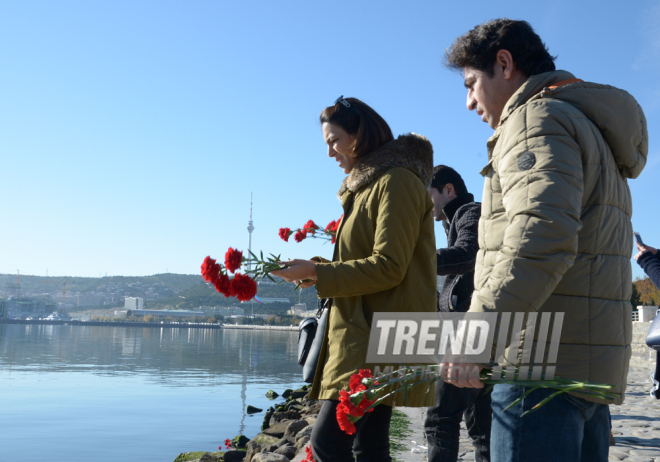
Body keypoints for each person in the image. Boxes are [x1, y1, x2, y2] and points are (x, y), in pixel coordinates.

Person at [442, 19, 648, 462]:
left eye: (472, 84)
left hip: (539, 371)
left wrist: (477, 337)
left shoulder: (536, 120)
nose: (469, 101)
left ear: (504, 63)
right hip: (582, 370)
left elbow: (540, 236)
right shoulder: (588, 127)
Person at [272, 96, 437, 462]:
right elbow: (368, 259)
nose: (330, 152)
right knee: (368, 446)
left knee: (329, 443)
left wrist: (318, 273)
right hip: (367, 333)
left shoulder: (396, 182)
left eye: (334, 140)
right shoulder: (372, 186)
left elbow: (390, 265)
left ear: (359, 135)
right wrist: (314, 268)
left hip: (375, 338)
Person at [424, 165, 492, 462]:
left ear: (448, 190)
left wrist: (412, 260)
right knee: (482, 426)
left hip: (471, 331)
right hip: (479, 328)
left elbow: (467, 254)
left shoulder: (470, 213)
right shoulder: (456, 218)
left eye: (427, 195)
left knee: (440, 420)